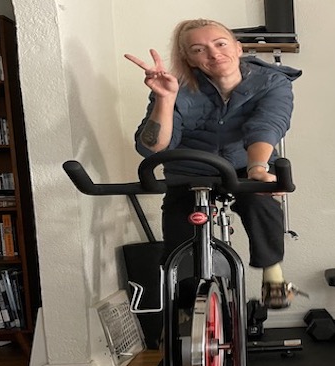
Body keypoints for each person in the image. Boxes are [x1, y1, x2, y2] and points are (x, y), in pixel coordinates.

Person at [125, 18, 303, 309]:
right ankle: (180, 319)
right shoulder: (175, 85)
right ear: (189, 59)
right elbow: (152, 148)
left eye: (220, 44)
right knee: (178, 241)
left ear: (237, 47)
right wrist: (165, 100)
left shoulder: (271, 81)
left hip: (244, 164)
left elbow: (267, 125)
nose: (213, 54)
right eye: (198, 49)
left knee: (260, 200)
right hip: (189, 169)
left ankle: (273, 275)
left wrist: (258, 168)